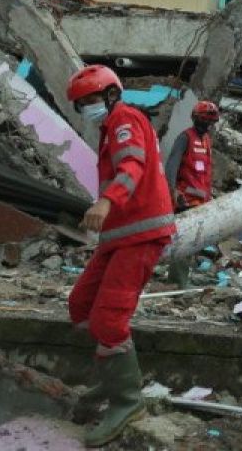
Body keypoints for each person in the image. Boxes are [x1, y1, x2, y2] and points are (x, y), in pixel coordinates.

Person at [66, 65, 176, 447]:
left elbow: (132, 165)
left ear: (112, 95)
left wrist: (105, 202)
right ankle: (112, 381)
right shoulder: (109, 126)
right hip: (120, 235)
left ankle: (127, 400)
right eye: (82, 104)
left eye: (93, 100)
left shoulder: (125, 118)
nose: (88, 108)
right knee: (81, 306)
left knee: (109, 318)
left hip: (140, 232)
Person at [163, 100, 220, 288]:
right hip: (185, 200)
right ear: (196, 119)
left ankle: (182, 279)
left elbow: (205, 174)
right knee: (184, 241)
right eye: (205, 120)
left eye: (210, 121)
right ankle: (178, 282)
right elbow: (171, 166)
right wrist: (172, 191)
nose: (208, 125)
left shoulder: (206, 141)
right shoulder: (185, 138)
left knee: (193, 242)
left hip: (201, 202)